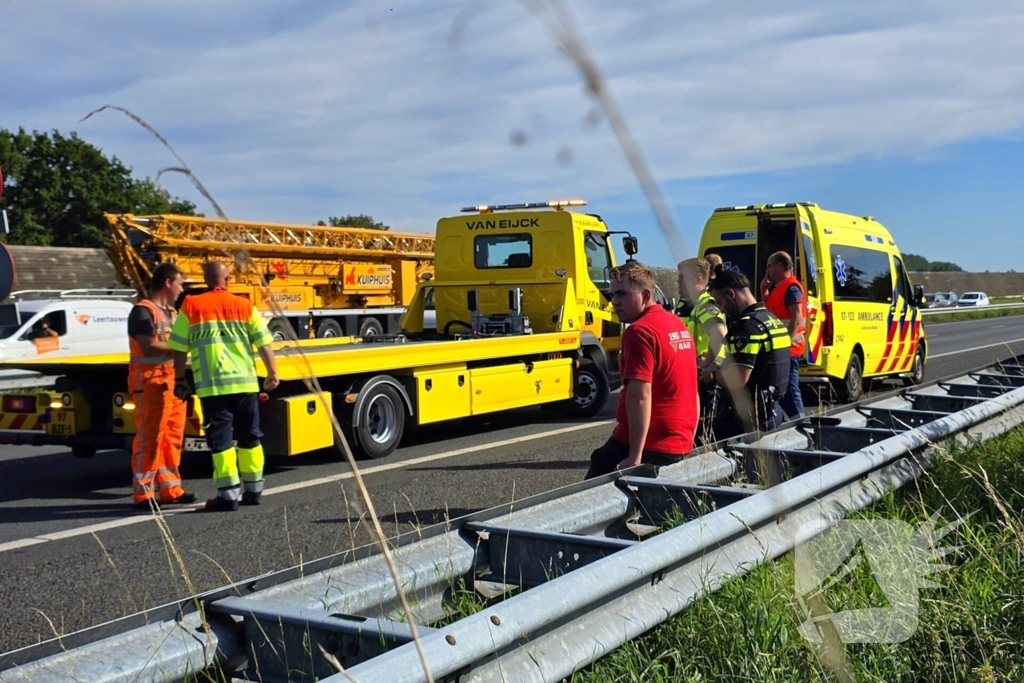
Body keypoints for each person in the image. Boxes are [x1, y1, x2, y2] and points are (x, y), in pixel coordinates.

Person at [169, 261, 280, 512]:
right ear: (227, 279)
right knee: (250, 436)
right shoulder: (244, 305)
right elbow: (264, 343)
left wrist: (179, 379)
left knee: (222, 442)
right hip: (245, 385)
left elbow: (178, 347)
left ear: (206, 280)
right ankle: (254, 491)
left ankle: (228, 495)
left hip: (213, 389)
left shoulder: (191, 306)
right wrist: (272, 373)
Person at [585, 261, 698, 479]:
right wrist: (689, 435)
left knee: (590, 490)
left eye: (622, 295)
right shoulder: (677, 324)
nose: (615, 303)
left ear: (646, 295)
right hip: (679, 440)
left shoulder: (640, 331)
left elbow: (639, 396)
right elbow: (692, 386)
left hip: (650, 441)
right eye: (612, 296)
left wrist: (635, 457)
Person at [128, 262, 196, 509]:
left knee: (172, 437)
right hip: (151, 383)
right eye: (180, 284)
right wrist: (181, 346)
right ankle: (144, 494)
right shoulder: (143, 311)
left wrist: (181, 378)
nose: (182, 290)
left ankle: (171, 490)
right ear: (168, 283)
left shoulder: (172, 313)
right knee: (150, 438)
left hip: (170, 382)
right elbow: (147, 347)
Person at [708, 265, 791, 439]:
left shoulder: (747, 327)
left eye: (720, 303)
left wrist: (712, 374)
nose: (721, 309)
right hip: (774, 414)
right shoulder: (771, 319)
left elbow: (738, 378)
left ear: (731, 294)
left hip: (749, 422)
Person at [760, 251, 807, 419]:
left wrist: (785, 342)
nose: (767, 270)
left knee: (790, 389)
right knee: (783, 388)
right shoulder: (779, 288)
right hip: (782, 348)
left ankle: (800, 421)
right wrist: (764, 290)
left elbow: (796, 317)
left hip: (789, 348)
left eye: (770, 266)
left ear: (779, 266)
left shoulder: (791, 287)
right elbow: (769, 312)